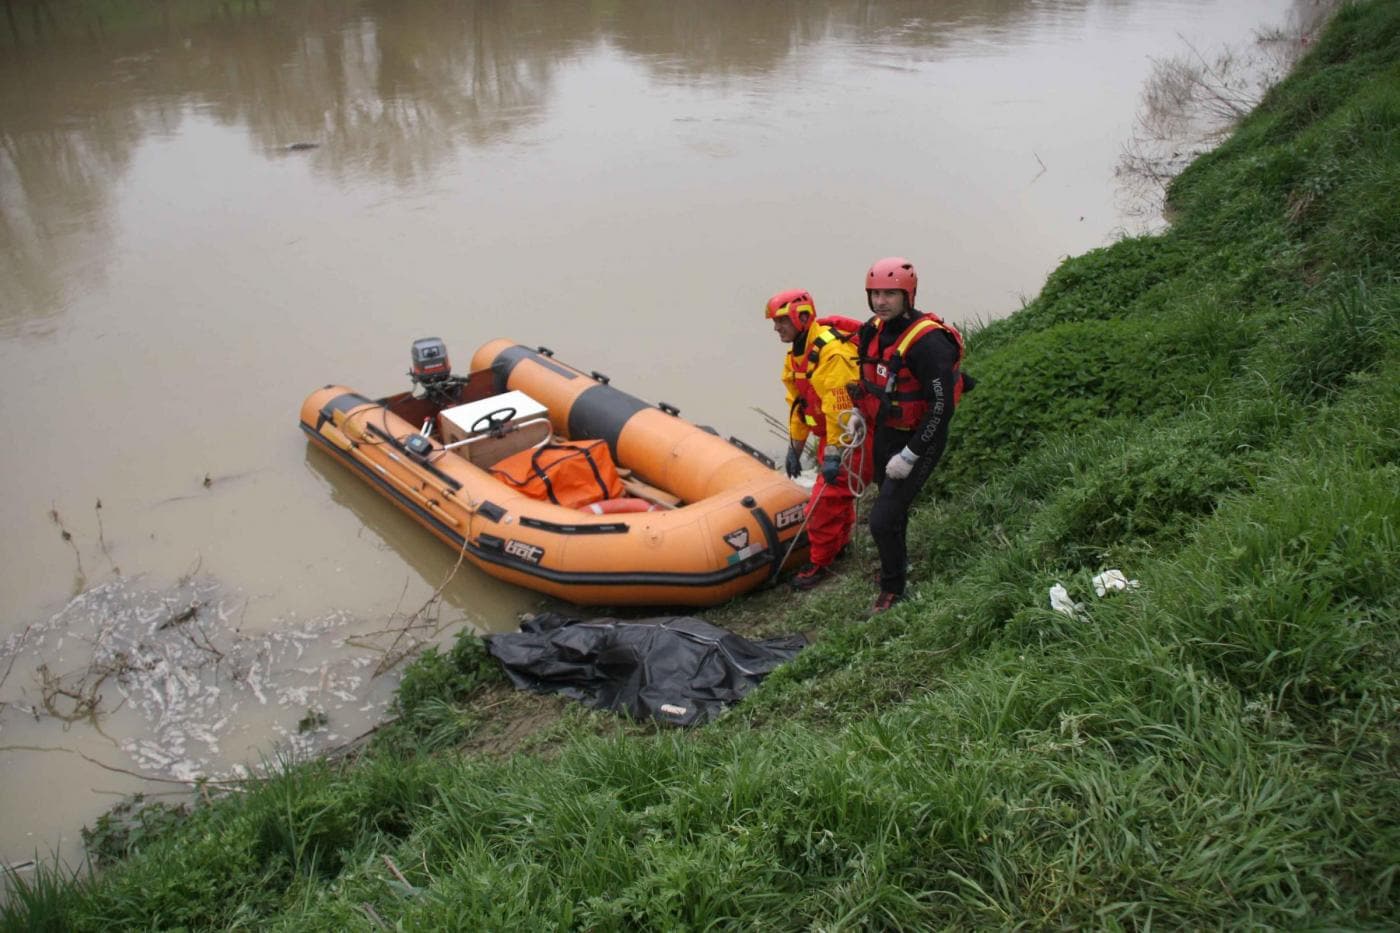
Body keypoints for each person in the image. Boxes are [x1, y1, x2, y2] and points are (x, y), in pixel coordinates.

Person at [853, 257, 971, 613]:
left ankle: (893, 589)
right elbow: (866, 379)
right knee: (893, 510)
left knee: (882, 518)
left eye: (890, 294)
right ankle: (896, 564)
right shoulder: (871, 331)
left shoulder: (928, 343)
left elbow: (940, 408)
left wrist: (911, 454)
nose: (881, 302)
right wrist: (858, 413)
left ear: (908, 295)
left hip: (921, 437)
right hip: (886, 433)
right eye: (875, 294)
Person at [765, 289, 869, 590]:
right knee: (836, 497)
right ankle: (839, 546)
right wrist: (794, 448)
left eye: (781, 322)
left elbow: (840, 409)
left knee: (823, 503)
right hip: (832, 438)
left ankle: (821, 562)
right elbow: (799, 406)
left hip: (851, 437)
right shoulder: (797, 356)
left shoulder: (832, 353)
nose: (776, 329)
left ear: (802, 317)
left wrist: (836, 453)